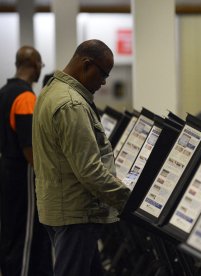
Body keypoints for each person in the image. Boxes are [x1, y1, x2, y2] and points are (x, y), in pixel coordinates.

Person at [32, 39, 131, 276]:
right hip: (75, 213)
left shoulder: (50, 91)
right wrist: (129, 200)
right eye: (103, 73)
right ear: (87, 65)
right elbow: (90, 171)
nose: (105, 81)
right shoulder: (71, 105)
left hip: (60, 207)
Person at [0, 46, 53, 276]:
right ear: (34, 66)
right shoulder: (25, 97)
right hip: (23, 176)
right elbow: (29, 148)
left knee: (11, 234)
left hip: (7, 173)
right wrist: (46, 174)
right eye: (40, 65)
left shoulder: (4, 91)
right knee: (27, 238)